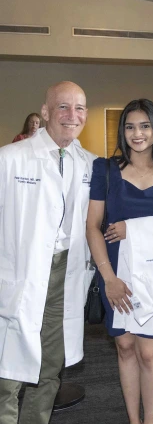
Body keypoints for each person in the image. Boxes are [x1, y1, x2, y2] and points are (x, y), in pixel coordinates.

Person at [86, 98, 153, 424]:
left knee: (148, 352)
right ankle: (134, 421)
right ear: (122, 131)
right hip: (114, 270)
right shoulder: (105, 169)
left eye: (145, 126)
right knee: (126, 348)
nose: (137, 133)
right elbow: (92, 226)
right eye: (130, 126)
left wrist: (135, 229)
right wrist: (109, 278)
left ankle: (150, 420)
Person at [0, 81, 96, 424]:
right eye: (63, 107)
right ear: (45, 112)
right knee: (7, 371)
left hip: (64, 277)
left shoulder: (90, 164)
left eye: (80, 108)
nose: (73, 115)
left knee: (51, 365)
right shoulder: (10, 158)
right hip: (18, 276)